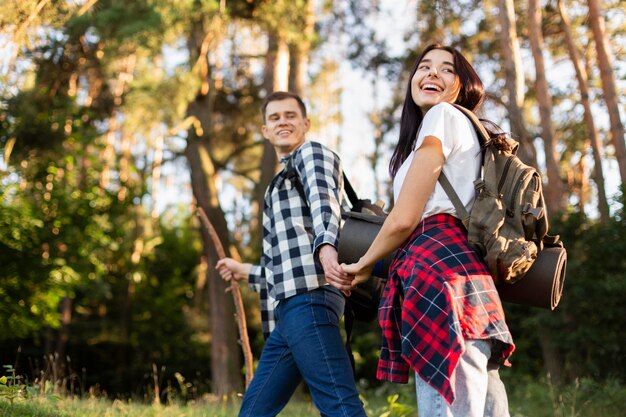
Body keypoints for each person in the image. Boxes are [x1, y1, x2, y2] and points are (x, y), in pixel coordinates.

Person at [341, 44, 516, 417]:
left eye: (446, 69)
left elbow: (405, 218)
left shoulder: (441, 116)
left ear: (462, 84)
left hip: (436, 269)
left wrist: (365, 264)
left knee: (447, 403)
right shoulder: (468, 132)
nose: (432, 73)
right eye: (424, 67)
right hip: (468, 276)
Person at [215, 91, 367, 417]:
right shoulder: (281, 180)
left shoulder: (311, 154)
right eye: (274, 117)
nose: (283, 121)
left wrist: (327, 250)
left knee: (339, 405)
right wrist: (244, 271)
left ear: (305, 123)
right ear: (265, 131)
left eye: (290, 115)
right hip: (291, 309)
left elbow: (324, 202)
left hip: (310, 301)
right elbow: (289, 266)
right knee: (253, 411)